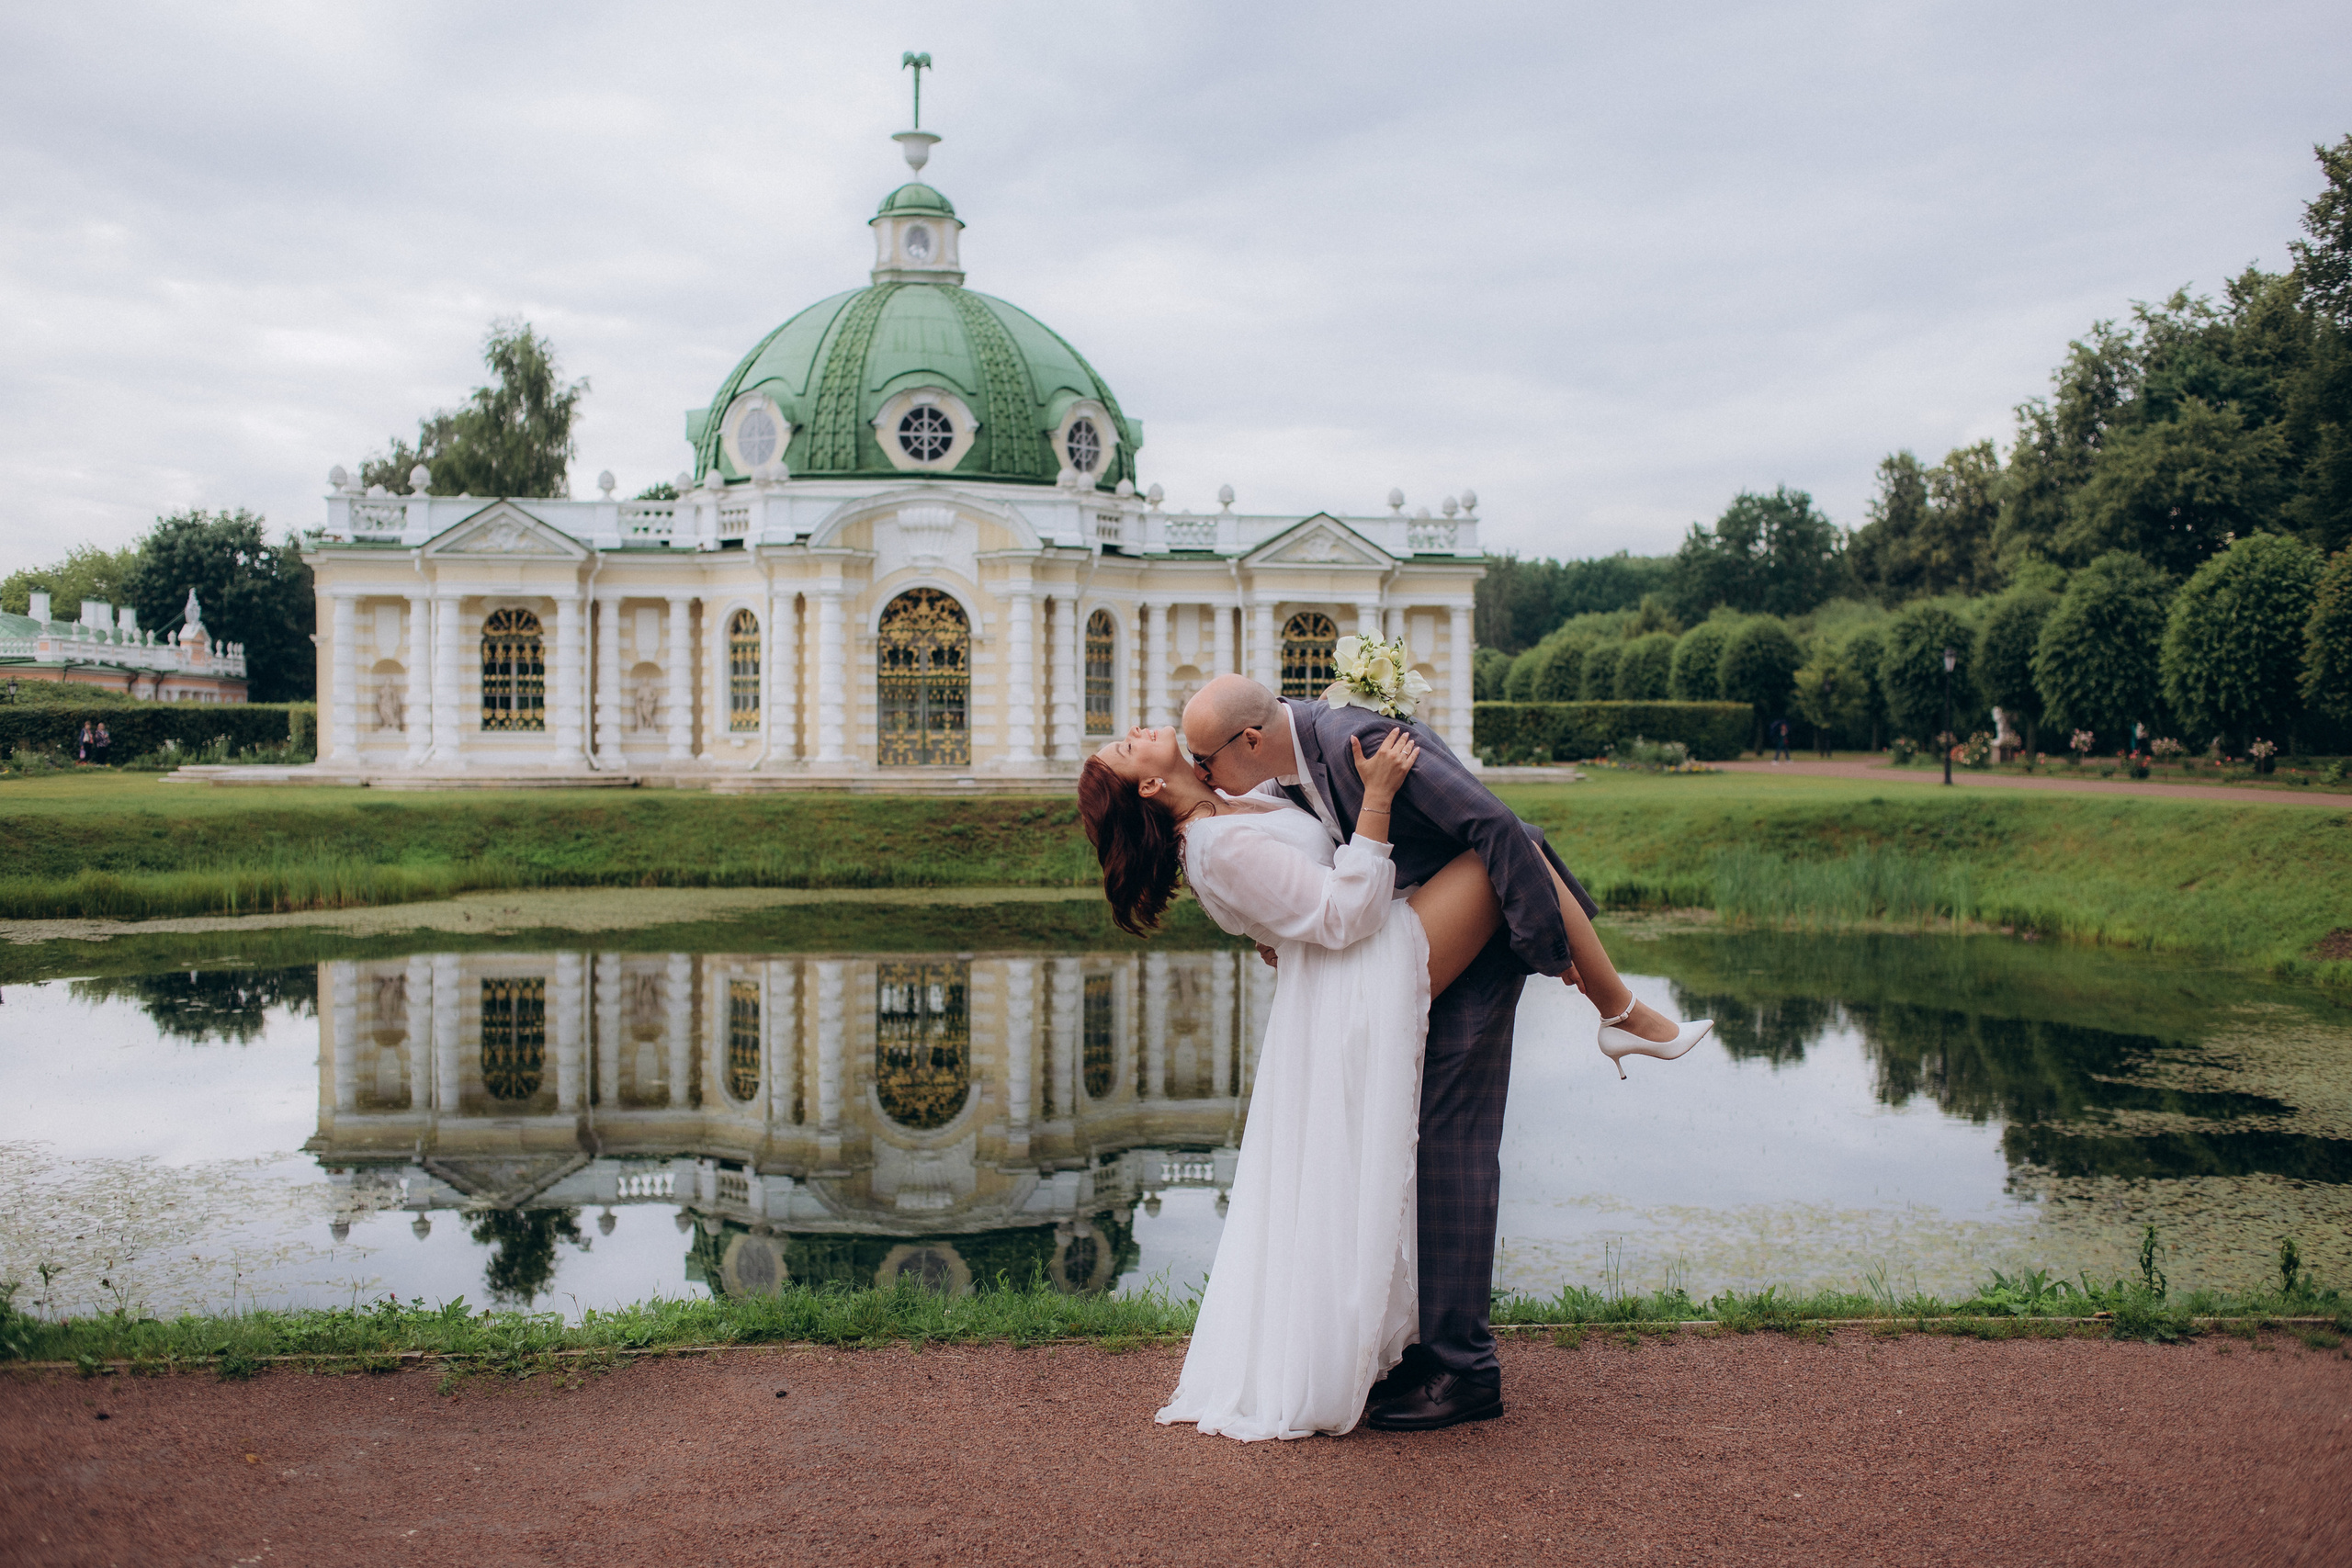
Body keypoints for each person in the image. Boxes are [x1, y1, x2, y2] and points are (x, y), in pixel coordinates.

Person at [1083, 677, 1707, 1438]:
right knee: (1508, 845)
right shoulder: (1212, 842)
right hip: (1363, 974)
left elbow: (1296, 888)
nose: (1140, 728)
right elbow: (1346, 913)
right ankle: (1616, 1006)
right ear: (1150, 782)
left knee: (1514, 848)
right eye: (1127, 745)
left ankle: (1610, 1001)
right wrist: (1377, 798)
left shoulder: (1237, 804)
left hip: (1357, 965)